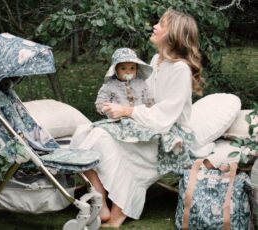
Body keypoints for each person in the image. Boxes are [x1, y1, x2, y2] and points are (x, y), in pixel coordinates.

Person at [70, 8, 204, 228]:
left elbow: (164, 115)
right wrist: (119, 106)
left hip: (170, 133)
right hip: (146, 124)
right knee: (89, 133)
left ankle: (119, 209)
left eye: (161, 24)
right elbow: (144, 100)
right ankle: (100, 202)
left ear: (172, 34)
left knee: (104, 139)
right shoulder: (155, 60)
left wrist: (126, 112)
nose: (155, 26)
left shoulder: (180, 69)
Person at [95, 47, 154, 116]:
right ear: (115, 70)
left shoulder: (141, 83)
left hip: (138, 116)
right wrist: (105, 108)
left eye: (132, 68)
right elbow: (101, 100)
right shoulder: (110, 85)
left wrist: (150, 110)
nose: (128, 72)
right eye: (123, 68)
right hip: (119, 117)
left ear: (137, 69)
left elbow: (148, 99)